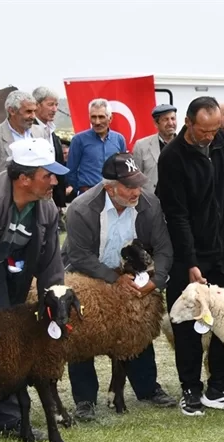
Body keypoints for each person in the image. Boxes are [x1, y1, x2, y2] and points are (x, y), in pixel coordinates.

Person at [0, 138, 68, 440]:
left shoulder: (44, 209)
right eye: (48, 175)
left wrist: (54, 310)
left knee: (2, 342)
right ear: (23, 178)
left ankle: (7, 421)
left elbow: (50, 265)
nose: (55, 181)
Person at [156, 96, 224, 417]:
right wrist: (190, 262)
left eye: (216, 130)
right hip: (190, 253)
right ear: (187, 123)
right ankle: (190, 389)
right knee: (187, 322)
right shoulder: (171, 158)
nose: (210, 137)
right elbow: (178, 215)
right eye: (204, 131)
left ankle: (220, 385)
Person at [61, 153, 177, 420]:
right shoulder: (81, 208)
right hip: (88, 272)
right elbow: (79, 256)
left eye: (138, 184)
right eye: (129, 186)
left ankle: (147, 387)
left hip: (128, 269)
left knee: (137, 326)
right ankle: (84, 399)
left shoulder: (149, 204)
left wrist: (155, 280)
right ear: (109, 187)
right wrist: (114, 280)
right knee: (83, 331)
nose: (136, 191)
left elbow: (163, 247)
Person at [0, 90, 46, 177]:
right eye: (28, 111)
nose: (33, 116)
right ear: (12, 111)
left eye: (34, 111)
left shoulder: (40, 132)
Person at [66, 99, 127, 194]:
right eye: (93, 117)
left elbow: (122, 169)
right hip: (87, 194)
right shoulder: (78, 140)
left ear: (110, 118)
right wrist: (81, 190)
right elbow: (70, 171)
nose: (97, 122)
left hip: (113, 195)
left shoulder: (119, 139)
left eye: (101, 117)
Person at [132, 104, 178, 193]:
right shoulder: (141, 146)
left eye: (173, 118)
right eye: (165, 119)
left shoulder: (186, 145)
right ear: (156, 123)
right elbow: (135, 179)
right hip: (152, 201)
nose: (170, 123)